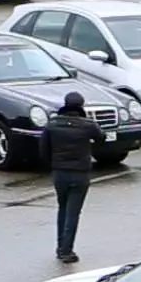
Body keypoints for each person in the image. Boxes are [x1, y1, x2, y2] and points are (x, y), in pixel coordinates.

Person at [42, 91, 107, 263]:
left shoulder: (52, 125)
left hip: (59, 173)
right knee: (73, 212)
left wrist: (54, 164)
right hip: (80, 174)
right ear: (81, 105)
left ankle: (60, 247)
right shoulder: (87, 125)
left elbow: (43, 150)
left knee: (62, 209)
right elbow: (102, 138)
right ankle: (66, 250)